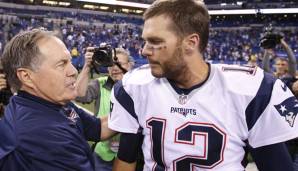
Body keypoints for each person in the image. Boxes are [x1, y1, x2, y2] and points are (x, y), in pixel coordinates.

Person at [108, 0, 298, 171]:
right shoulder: (135, 86)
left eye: (155, 42)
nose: (144, 51)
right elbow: (126, 157)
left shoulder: (252, 91)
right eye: (145, 41)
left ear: (191, 42)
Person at [0, 28, 114, 171]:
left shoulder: (50, 102)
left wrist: (135, 107)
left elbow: (98, 128)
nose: (73, 71)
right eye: (61, 64)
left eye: (70, 62)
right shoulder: (42, 134)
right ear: (27, 77)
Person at [75, 47, 134, 171]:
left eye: (120, 64)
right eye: (111, 64)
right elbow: (79, 96)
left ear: (129, 65)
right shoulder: (100, 84)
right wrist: (87, 67)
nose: (115, 68)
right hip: (102, 154)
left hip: (131, 154)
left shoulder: (139, 88)